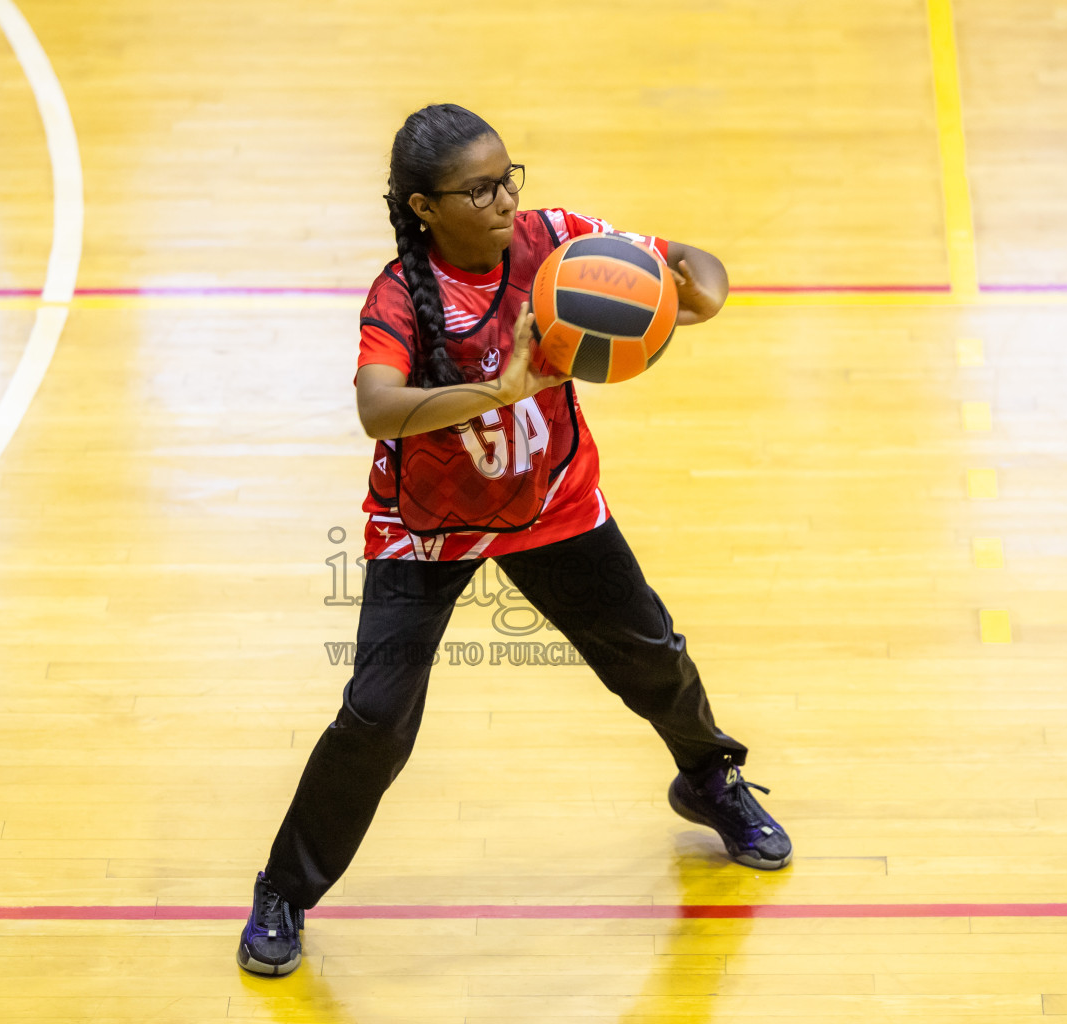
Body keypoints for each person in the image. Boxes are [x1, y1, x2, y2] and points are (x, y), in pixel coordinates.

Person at [238, 103, 792, 977]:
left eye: (508, 179)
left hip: (554, 503)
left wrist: (694, 288)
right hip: (426, 529)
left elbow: (693, 264)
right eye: (479, 189)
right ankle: (283, 890)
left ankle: (710, 781)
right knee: (375, 722)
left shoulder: (559, 244)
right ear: (425, 207)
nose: (504, 202)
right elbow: (376, 408)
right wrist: (502, 389)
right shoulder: (398, 297)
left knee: (653, 657)